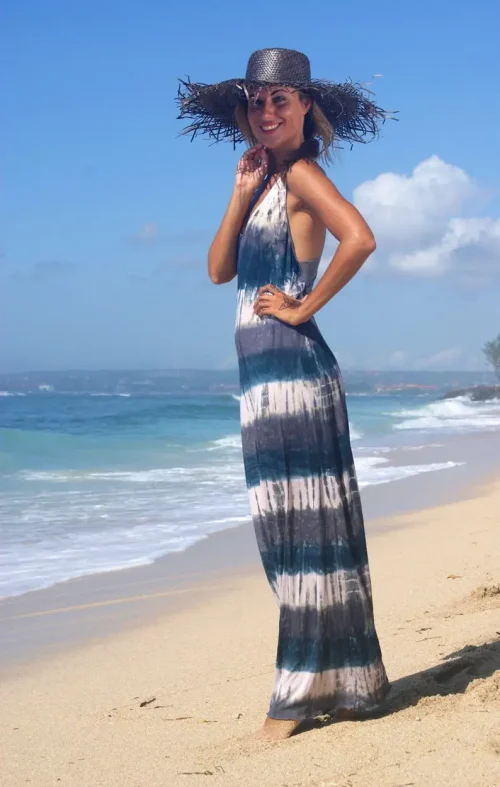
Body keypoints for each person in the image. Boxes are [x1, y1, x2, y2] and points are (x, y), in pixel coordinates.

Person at [177, 47, 391, 740]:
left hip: (295, 375)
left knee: (302, 538)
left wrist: (302, 307)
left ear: (304, 105)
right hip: (263, 384)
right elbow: (219, 271)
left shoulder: (301, 172)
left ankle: (293, 698)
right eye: (256, 101)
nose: (266, 111)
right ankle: (347, 684)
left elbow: (359, 239)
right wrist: (239, 194)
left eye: (280, 99)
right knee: (291, 537)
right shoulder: (266, 179)